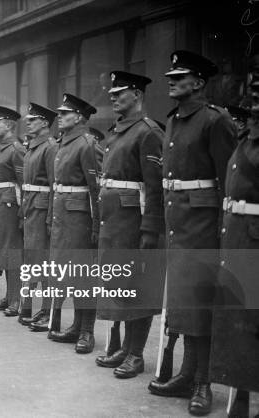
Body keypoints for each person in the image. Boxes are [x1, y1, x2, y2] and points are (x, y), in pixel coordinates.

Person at [147, 51, 237, 416]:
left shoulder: (215, 121)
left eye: (180, 76)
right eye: (170, 75)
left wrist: (223, 237)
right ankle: (186, 374)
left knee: (201, 306)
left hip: (204, 229)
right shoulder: (174, 120)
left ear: (198, 83)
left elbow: (228, 182)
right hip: (179, 226)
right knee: (183, 305)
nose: (171, 80)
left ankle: (203, 381)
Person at [94, 71, 165, 378]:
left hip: (134, 222)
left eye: (119, 92)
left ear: (137, 95)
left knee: (137, 287)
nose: (113, 96)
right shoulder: (118, 130)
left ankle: (136, 354)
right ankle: (124, 347)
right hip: (115, 221)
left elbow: (155, 187)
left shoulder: (148, 132)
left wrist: (150, 230)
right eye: (111, 92)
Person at [210, 60, 259, 418]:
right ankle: (239, 400)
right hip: (240, 240)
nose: (253, 97)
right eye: (253, 89)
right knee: (240, 322)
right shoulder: (247, 136)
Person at [47, 93, 101, 354]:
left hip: (81, 219)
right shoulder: (64, 143)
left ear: (79, 117)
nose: (60, 117)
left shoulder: (88, 144)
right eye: (59, 113)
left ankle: (87, 331)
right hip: (63, 216)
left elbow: (96, 189)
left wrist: (97, 227)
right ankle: (77, 325)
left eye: (65, 113)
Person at [19, 103, 58, 331]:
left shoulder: (50, 147)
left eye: (33, 120)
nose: (28, 122)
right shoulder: (33, 147)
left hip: (43, 209)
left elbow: (54, 186)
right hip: (31, 207)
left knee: (44, 263)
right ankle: (29, 306)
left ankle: (46, 311)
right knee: (33, 259)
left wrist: (51, 217)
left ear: (44, 123)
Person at [0, 106, 25, 317]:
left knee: (13, 252)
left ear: (9, 125)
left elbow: (23, 183)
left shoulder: (16, 149)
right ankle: (9, 296)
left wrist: (22, 212)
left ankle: (15, 299)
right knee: (2, 249)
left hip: (11, 204)